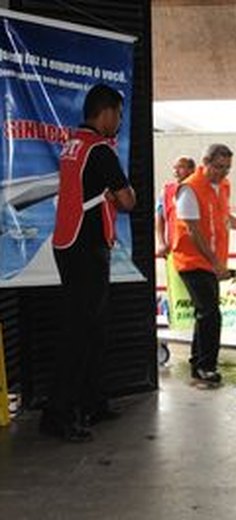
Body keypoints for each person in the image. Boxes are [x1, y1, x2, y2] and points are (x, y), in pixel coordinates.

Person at [42, 84, 136, 442]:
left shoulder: (72, 145)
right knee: (80, 334)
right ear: (107, 112)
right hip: (85, 247)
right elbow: (128, 200)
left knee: (94, 330)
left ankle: (92, 401)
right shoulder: (98, 150)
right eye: (120, 114)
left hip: (71, 244)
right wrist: (118, 195)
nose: (120, 122)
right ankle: (58, 414)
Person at [171, 144, 236, 385]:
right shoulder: (190, 189)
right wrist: (215, 264)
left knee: (205, 313)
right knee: (210, 313)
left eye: (227, 168)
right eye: (218, 167)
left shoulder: (223, 186)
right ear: (205, 162)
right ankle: (206, 367)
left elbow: (226, 218)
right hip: (192, 261)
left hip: (212, 262)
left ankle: (198, 363)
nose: (223, 173)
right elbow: (194, 232)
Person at [155, 156, 195, 258]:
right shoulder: (166, 191)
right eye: (174, 167)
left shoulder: (199, 190)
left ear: (192, 170)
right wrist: (161, 243)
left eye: (181, 167)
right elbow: (159, 218)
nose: (176, 171)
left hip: (197, 248)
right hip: (173, 248)